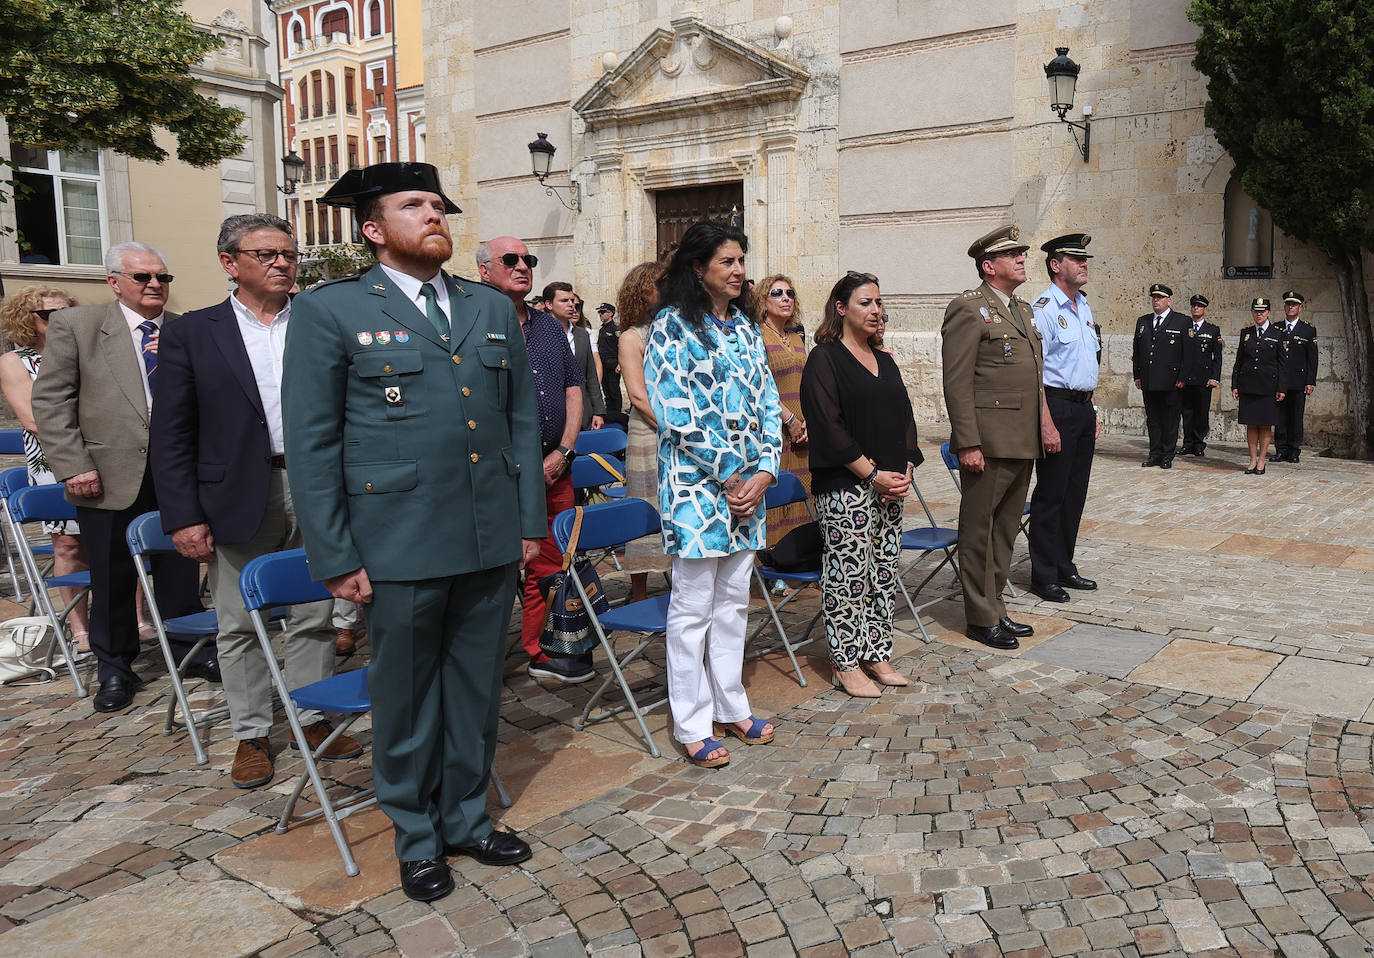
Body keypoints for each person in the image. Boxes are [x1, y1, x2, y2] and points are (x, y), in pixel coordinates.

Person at [282, 162, 545, 901]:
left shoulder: (488, 309)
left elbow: (521, 422)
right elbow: (313, 440)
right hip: (394, 540)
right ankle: (417, 835)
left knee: (474, 691)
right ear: (373, 229)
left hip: (487, 534)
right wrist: (334, 553)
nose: (434, 215)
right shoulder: (330, 310)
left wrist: (528, 523)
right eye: (414, 205)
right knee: (402, 698)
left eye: (438, 204)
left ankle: (465, 818)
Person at [150, 213, 362, 790]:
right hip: (236, 494)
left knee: (316, 613)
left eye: (288, 254)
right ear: (230, 263)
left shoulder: (318, 321)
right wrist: (183, 515)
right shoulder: (195, 331)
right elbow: (171, 432)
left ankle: (312, 717)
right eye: (266, 253)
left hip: (319, 485)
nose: (282, 263)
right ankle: (250, 732)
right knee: (240, 623)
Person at [32, 242, 217, 714]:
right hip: (108, 471)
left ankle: (187, 648)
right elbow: (51, 402)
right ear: (114, 282)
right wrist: (73, 465)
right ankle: (115, 666)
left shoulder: (183, 329)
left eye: (163, 278)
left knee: (182, 562)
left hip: (177, 468)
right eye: (143, 277)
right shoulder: (78, 326)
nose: (155, 285)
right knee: (113, 574)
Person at [644, 221, 780, 768]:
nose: (740, 270)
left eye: (742, 259)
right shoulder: (670, 327)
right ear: (698, 268)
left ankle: (732, 703)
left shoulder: (747, 330)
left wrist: (765, 472)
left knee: (732, 607)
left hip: (750, 489)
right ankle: (692, 722)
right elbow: (678, 413)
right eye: (727, 261)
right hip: (698, 490)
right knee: (693, 608)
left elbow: (769, 402)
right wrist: (730, 475)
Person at [799, 271, 920, 697]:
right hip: (846, 485)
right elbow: (828, 426)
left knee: (883, 571)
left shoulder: (884, 359)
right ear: (841, 308)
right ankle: (844, 661)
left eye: (878, 303)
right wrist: (871, 473)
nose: (875, 310)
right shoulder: (825, 359)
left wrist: (904, 467)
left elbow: (905, 417)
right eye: (865, 302)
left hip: (891, 483)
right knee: (848, 573)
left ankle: (876, 651)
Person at [476, 239, 589, 684]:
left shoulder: (546, 326)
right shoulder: (473, 321)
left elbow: (573, 389)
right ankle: (479, 658)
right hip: (494, 470)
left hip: (554, 465)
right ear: (485, 270)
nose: (523, 266)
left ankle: (544, 646)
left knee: (551, 560)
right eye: (511, 260)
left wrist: (563, 450)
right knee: (494, 567)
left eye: (529, 260)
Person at [941, 225, 1053, 651]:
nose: (1022, 258)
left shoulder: (1022, 310)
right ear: (989, 266)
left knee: (1005, 531)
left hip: (1022, 439)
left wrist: (1044, 424)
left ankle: (996, 606)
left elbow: (1035, 377)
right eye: (1013, 254)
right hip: (987, 442)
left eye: (1022, 252)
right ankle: (979, 616)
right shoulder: (968, 309)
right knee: (978, 529)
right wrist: (967, 442)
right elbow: (957, 381)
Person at [0, 287, 90, 648]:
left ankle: (136, 618)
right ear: (28, 320)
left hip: (103, 452)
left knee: (113, 541)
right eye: (48, 315)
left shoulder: (86, 352)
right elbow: (33, 418)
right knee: (69, 545)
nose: (58, 321)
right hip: (54, 458)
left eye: (66, 313)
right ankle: (81, 628)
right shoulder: (14, 361)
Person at [1028, 233, 1100, 604]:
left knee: (1075, 492)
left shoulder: (1083, 305)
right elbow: (1035, 371)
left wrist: (1092, 409)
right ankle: (1042, 574)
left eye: (1085, 258)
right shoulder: (1043, 308)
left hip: (1082, 407)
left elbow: (1087, 361)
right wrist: (1046, 421)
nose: (1085, 263)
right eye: (1076, 259)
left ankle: (1064, 564)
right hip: (1055, 406)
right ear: (1056, 265)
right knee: (1051, 493)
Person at [616, 262, 671, 603]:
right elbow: (638, 395)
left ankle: (678, 579)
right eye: (658, 286)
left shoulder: (674, 330)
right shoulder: (631, 336)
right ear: (642, 291)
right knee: (644, 503)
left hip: (677, 431)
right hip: (648, 431)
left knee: (671, 505)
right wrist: (673, 428)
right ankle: (639, 591)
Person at [754, 273, 811, 551]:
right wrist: (788, 419)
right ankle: (773, 560)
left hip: (803, 429)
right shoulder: (755, 336)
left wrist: (808, 420)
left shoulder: (796, 338)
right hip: (773, 426)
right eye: (776, 293)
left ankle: (801, 557)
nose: (785, 298)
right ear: (763, 301)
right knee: (777, 495)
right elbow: (757, 385)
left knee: (803, 492)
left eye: (789, 293)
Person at [1132, 283, 1189, 468]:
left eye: (1160, 297)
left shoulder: (1181, 321)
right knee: (1153, 419)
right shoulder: (1143, 321)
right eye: (1154, 297)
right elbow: (1137, 351)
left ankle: (1167, 455)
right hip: (1149, 380)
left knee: (1170, 419)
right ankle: (1154, 453)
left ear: (1169, 301)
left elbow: (1189, 354)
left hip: (1171, 381)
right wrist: (1137, 375)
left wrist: (1183, 377)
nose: (1156, 300)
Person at [1231, 297, 1286, 475]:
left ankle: (1262, 459)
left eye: (1262, 311)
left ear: (1268, 312)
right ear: (1252, 313)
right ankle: (1252, 459)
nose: (1259, 314)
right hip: (1248, 385)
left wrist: (1282, 388)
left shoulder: (1278, 333)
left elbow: (1283, 364)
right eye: (1256, 311)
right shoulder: (1246, 333)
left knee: (1265, 425)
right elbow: (1239, 362)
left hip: (1268, 387)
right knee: (1251, 424)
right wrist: (1235, 385)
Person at [543, 282, 605, 430]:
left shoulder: (582, 335)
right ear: (549, 304)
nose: (571, 305)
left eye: (572, 301)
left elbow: (591, 376)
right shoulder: (537, 334)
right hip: (550, 415)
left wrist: (598, 411)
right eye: (564, 301)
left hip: (582, 413)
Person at [1274, 291, 1318, 462]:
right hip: (1280, 382)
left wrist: (1310, 381)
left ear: (1300, 308)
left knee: (1296, 416)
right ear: (1285, 306)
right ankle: (1280, 449)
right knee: (1280, 416)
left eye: (1294, 304)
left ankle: (1293, 450)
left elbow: (1312, 359)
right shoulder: (1276, 328)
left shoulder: (1307, 330)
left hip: (1299, 381)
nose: (1290, 307)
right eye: (1288, 304)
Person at [1178, 294, 1223, 457]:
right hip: (1186, 378)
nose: (1196, 308)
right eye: (1194, 306)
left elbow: (1217, 357)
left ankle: (1199, 443)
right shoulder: (1184, 328)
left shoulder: (1212, 330)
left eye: (1199, 306)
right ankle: (1187, 443)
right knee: (1187, 412)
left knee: (1201, 413)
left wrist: (1215, 377)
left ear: (1204, 309)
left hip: (1204, 379)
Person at [596, 303, 622, 413]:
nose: (600, 315)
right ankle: (610, 411)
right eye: (599, 312)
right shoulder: (602, 330)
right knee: (606, 389)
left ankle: (616, 412)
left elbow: (621, 346)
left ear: (610, 313)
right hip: (603, 364)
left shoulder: (615, 328)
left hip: (613, 365)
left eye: (602, 312)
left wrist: (620, 364)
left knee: (613, 390)